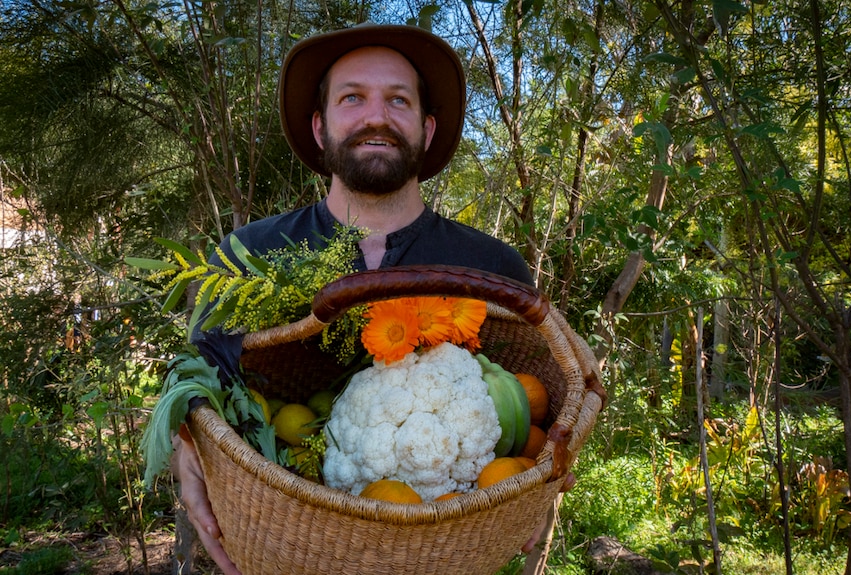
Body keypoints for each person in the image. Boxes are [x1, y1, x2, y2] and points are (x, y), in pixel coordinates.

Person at [171, 23, 566, 575]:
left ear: (427, 130)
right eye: (352, 97)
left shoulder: (493, 268)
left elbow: (552, 402)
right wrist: (185, 445)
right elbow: (196, 377)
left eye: (397, 100)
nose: (375, 116)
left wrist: (542, 487)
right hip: (286, 555)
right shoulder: (251, 255)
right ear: (320, 126)